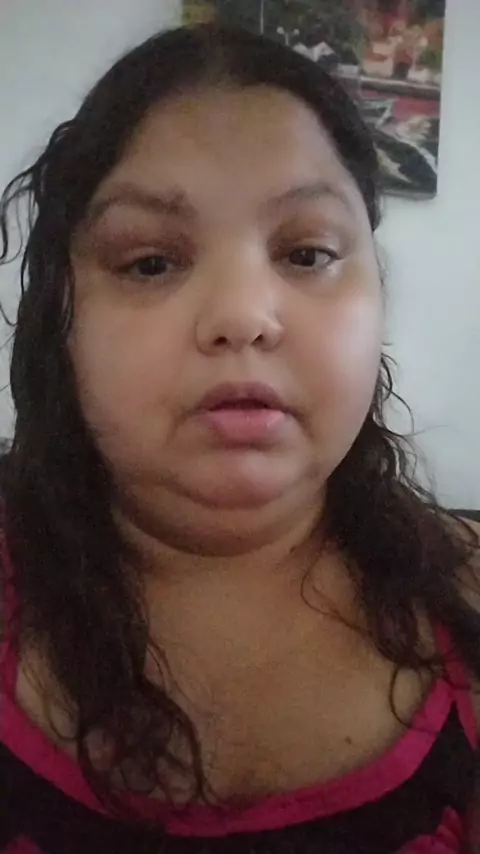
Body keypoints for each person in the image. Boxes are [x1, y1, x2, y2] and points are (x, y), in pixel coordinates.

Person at [0, 23, 478, 854]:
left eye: (308, 253)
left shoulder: (465, 604)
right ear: (61, 318)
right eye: (151, 262)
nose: (242, 316)